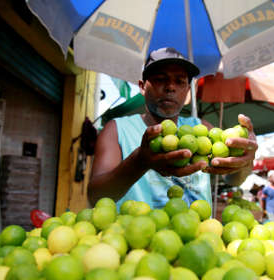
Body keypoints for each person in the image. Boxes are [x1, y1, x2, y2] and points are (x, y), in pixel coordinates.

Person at [88, 47, 257, 209]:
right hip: (138, 234)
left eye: (180, 81)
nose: (170, 87)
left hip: (200, 235)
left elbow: (233, 179)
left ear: (187, 89)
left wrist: (245, 163)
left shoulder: (201, 128)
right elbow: (95, 196)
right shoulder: (117, 129)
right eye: (161, 79)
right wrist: (139, 161)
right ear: (142, 86)